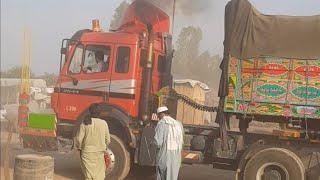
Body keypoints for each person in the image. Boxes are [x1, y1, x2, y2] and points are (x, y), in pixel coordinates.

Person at [74, 104, 111, 180]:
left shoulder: (85, 123)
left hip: (87, 153)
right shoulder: (104, 123)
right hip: (99, 153)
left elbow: (78, 139)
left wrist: (79, 148)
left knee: (88, 176)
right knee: (99, 176)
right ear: (99, 113)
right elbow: (108, 140)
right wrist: (104, 147)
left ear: (90, 112)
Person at [154, 106, 184, 180]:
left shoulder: (162, 123)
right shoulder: (178, 124)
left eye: (158, 115)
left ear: (161, 114)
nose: (158, 117)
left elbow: (158, 142)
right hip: (176, 157)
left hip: (165, 156)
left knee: (162, 176)